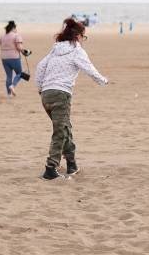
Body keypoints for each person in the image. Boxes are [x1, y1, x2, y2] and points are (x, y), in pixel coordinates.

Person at [36, 18, 109, 180]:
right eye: (83, 36)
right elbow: (89, 68)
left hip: (47, 94)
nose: (83, 40)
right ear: (77, 36)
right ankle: (50, 167)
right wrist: (103, 80)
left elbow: (40, 67)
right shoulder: (77, 50)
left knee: (65, 128)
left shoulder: (55, 49)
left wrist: (41, 88)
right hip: (61, 94)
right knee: (60, 131)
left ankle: (71, 164)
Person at [0, 21, 28, 97]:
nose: (16, 30)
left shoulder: (3, 36)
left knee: (9, 76)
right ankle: (13, 86)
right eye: (15, 28)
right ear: (13, 28)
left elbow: (0, 44)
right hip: (14, 57)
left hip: (4, 58)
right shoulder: (16, 36)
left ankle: (8, 94)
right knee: (20, 73)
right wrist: (25, 52)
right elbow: (19, 47)